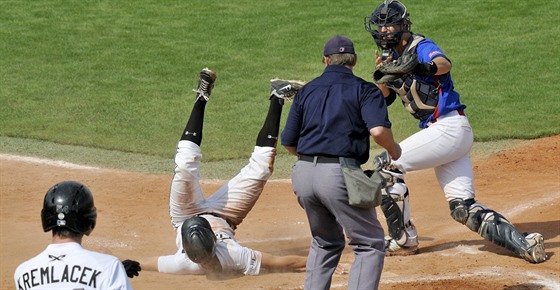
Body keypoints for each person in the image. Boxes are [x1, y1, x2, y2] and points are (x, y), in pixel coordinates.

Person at [363, 0, 547, 263]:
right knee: (463, 208)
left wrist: (419, 67)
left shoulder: (421, 47)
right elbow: (382, 97)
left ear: (403, 26)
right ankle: (526, 245)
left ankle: (403, 240)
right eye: (380, 27)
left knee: (386, 166)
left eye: (389, 25)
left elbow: (444, 63)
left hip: (448, 128)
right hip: (448, 136)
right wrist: (382, 73)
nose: (384, 31)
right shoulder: (388, 58)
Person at [134, 68, 307, 278]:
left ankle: (202, 95)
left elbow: (147, 264)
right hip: (228, 215)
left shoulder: (181, 263)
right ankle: (277, 96)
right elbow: (280, 262)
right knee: (262, 168)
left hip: (185, 213)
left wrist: (120, 263)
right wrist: (319, 263)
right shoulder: (234, 256)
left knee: (185, 163)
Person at [281, 35, 402, 290]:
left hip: (302, 175)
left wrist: (312, 163)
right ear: (354, 60)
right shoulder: (364, 89)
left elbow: (288, 141)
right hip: (338, 176)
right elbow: (378, 131)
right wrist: (394, 149)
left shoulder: (306, 91)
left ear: (326, 60)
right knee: (369, 243)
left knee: (325, 241)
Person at [14, 181, 133, 290]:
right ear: (89, 223)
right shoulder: (110, 267)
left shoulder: (22, 273)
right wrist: (111, 271)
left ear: (46, 219)